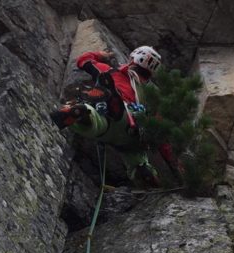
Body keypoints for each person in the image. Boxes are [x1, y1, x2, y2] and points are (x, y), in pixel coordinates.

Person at [50, 46, 166, 185]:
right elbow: (161, 125)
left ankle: (83, 115)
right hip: (132, 133)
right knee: (137, 159)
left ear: (132, 59)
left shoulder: (111, 71)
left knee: (96, 119)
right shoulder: (151, 94)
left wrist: (100, 55)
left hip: (111, 120)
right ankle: (144, 172)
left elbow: (83, 60)